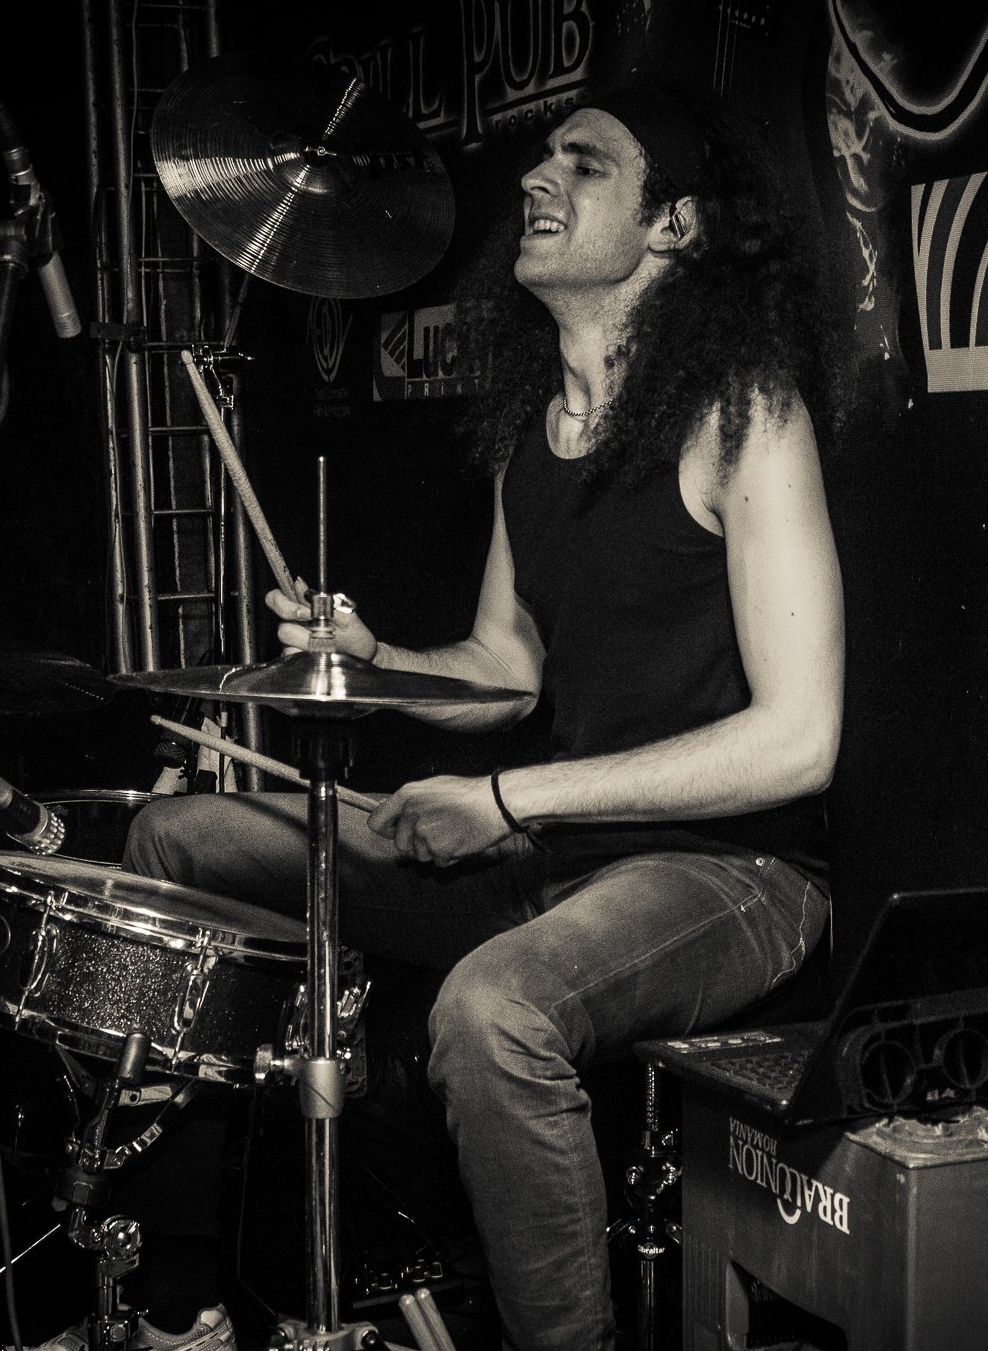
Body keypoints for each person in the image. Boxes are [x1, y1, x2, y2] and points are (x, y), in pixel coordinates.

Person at [125, 84, 844, 1351]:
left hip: (731, 874)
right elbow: (505, 670)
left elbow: (797, 740)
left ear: (673, 225)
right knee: (178, 838)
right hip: (553, 854)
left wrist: (508, 800)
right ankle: (179, 1300)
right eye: (542, 158)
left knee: (490, 1011)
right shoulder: (537, 439)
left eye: (587, 164)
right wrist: (376, 657)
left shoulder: (742, 415)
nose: (535, 180)